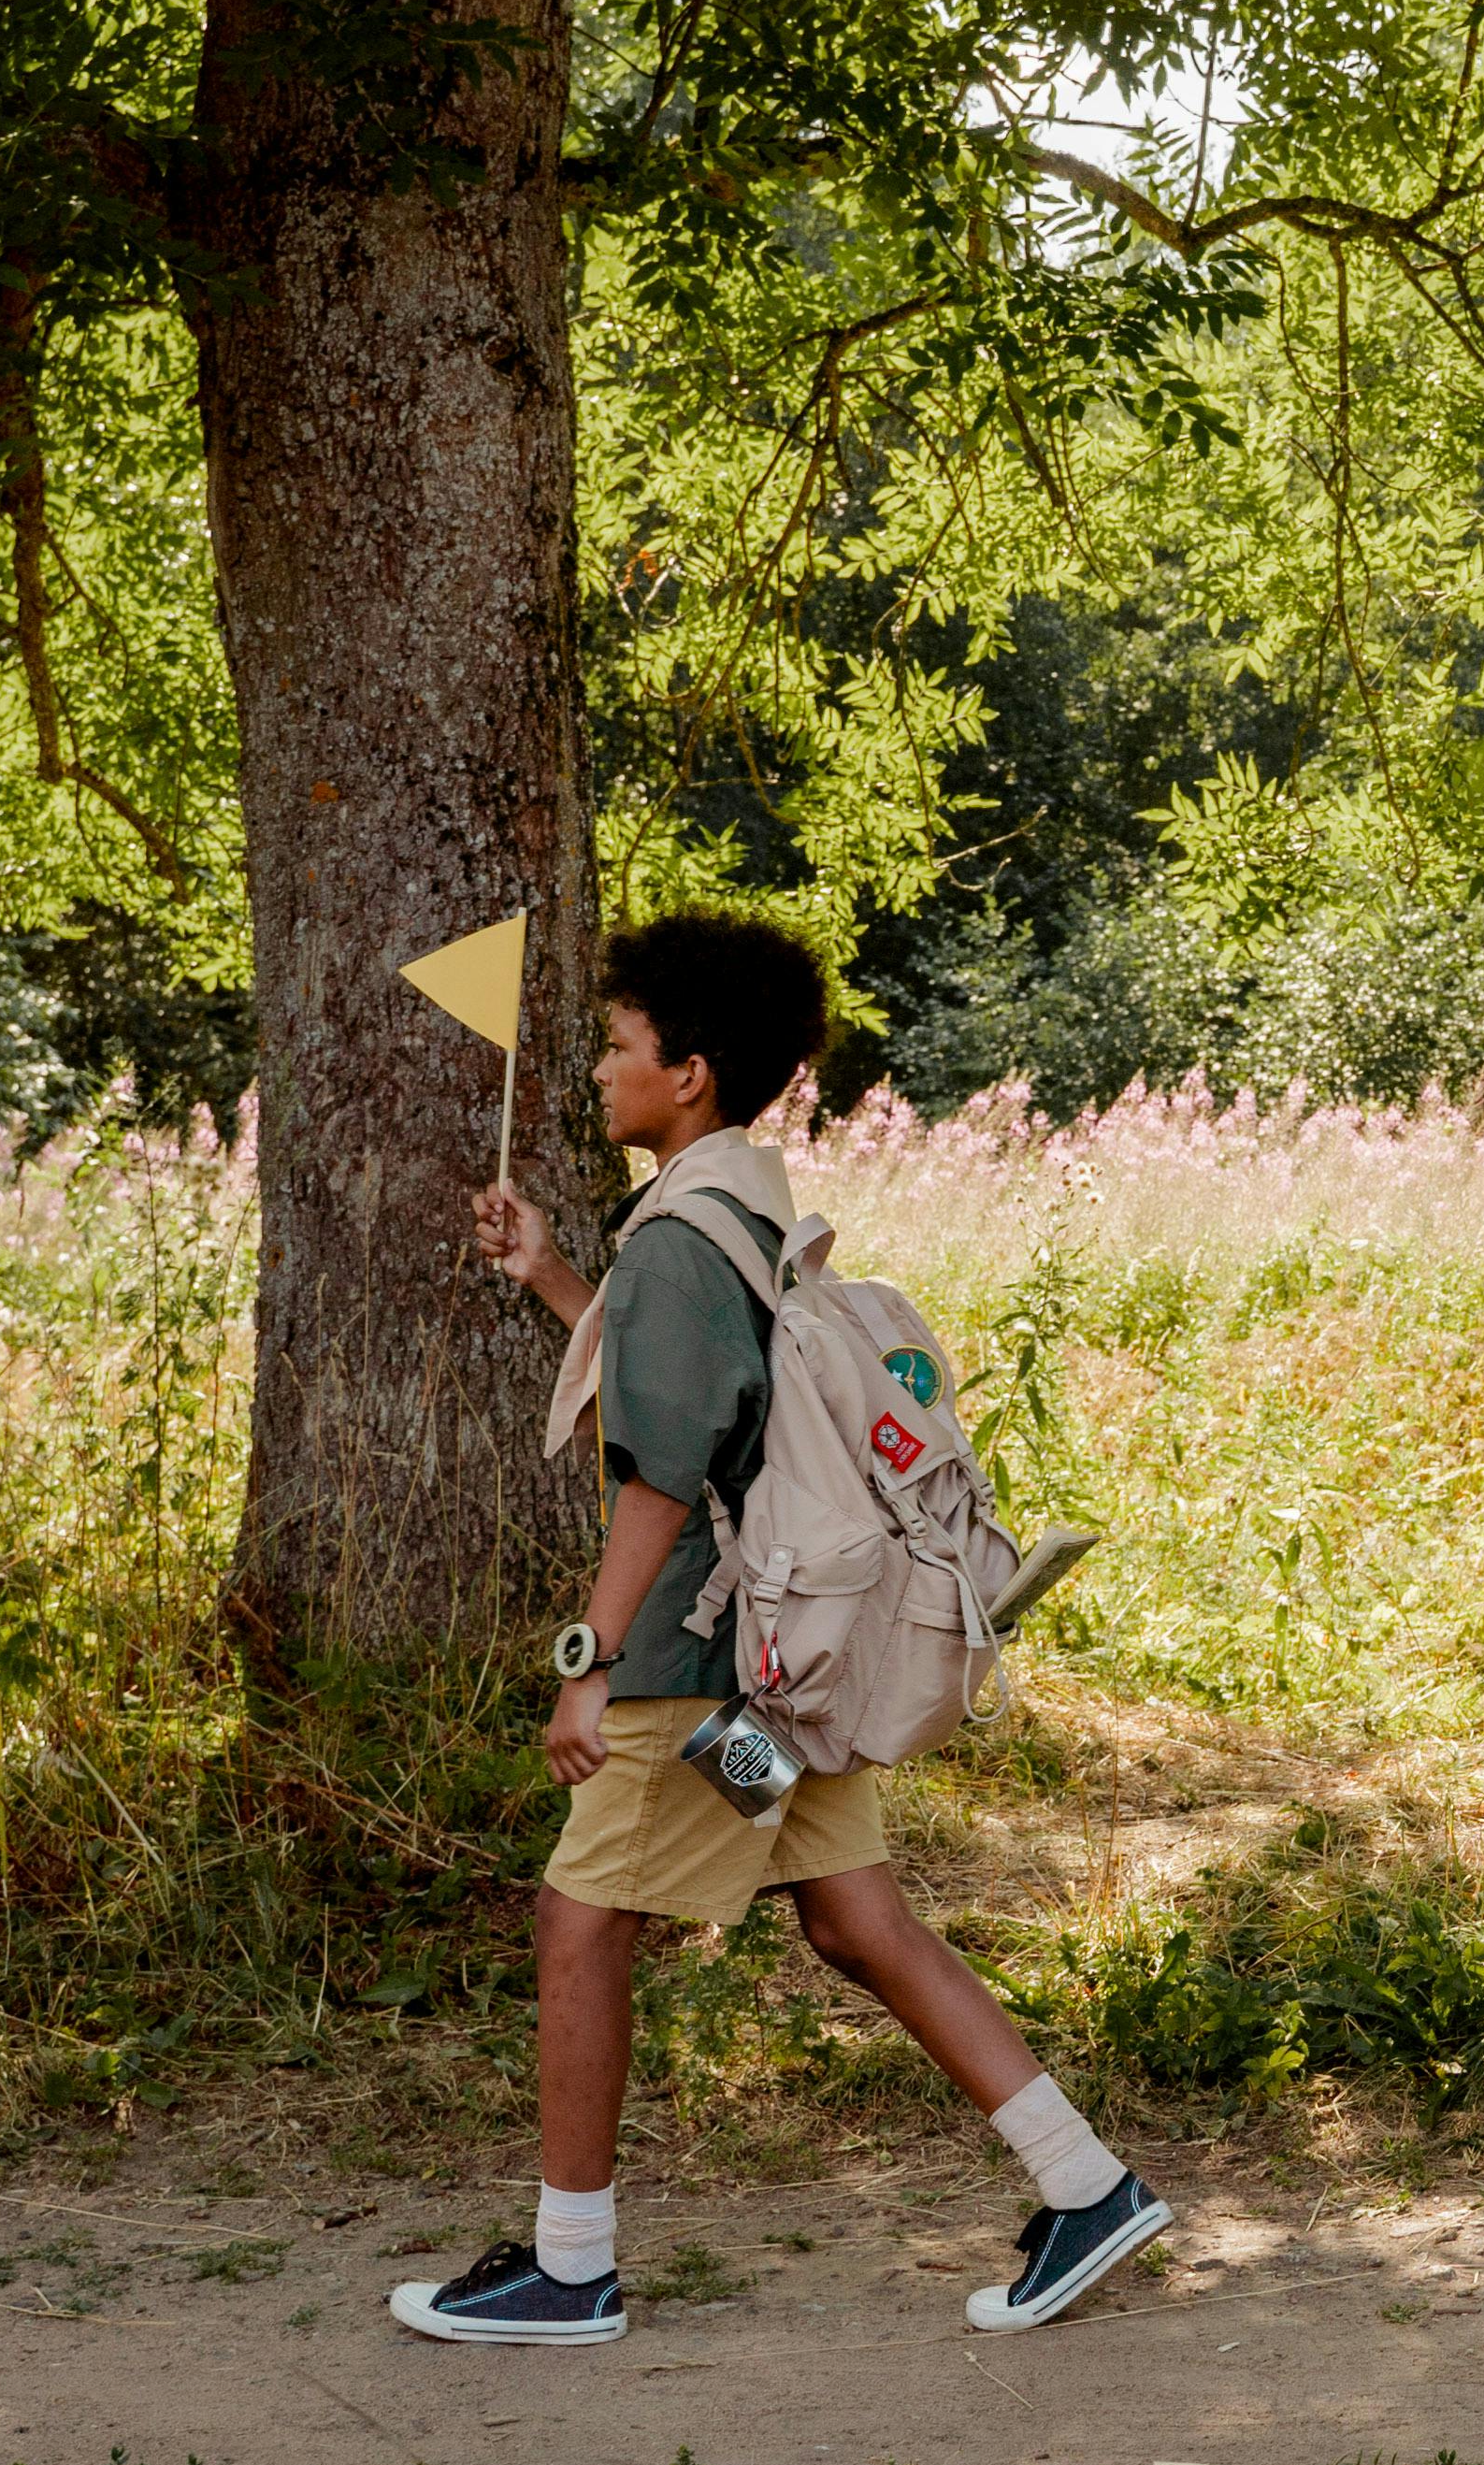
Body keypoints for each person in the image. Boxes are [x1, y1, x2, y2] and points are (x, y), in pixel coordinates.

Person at [387, 910, 1172, 2346]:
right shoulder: (739, 1214)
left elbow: (666, 1472)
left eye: (623, 1051)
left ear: (688, 1072)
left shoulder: (684, 1237)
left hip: (695, 1687)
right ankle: (1087, 2183)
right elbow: (702, 1390)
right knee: (851, 1913)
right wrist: (559, 1280)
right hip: (777, 1693)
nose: (602, 1074)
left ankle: (571, 2268)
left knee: (580, 1920)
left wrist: (590, 1662)